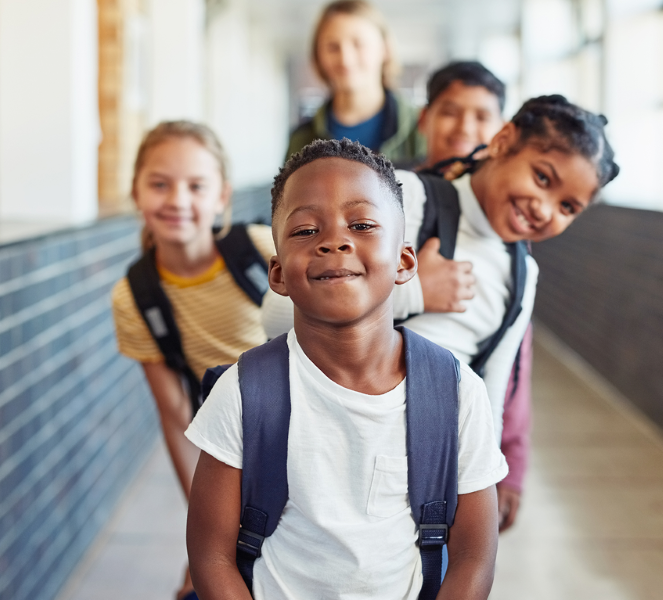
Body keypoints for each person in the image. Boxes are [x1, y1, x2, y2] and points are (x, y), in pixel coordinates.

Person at [262, 95, 619, 533]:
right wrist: (416, 292)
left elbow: (490, 392)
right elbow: (277, 316)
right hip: (320, 450)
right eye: (542, 177)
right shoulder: (404, 198)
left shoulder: (523, 275)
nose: (544, 208)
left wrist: (485, 489)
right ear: (503, 141)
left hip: (422, 478)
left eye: (567, 207)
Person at [186, 139, 506, 599]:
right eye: (304, 231)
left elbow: (475, 556)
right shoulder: (245, 391)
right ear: (277, 274)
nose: (334, 240)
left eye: (361, 224)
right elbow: (210, 556)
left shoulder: (455, 393)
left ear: (403, 261)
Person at [110, 121, 275, 600]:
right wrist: (205, 527)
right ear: (136, 192)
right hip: (230, 450)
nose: (177, 200)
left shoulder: (262, 250)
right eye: (159, 184)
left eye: (196, 186)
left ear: (221, 196)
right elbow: (177, 416)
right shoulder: (135, 297)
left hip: (307, 427)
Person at [415, 60, 530, 531]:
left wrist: (511, 461)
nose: (465, 126)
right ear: (424, 119)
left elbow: (513, 356)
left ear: (501, 132)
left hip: (462, 440)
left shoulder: (507, 226)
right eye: (450, 110)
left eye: (481, 115)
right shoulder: (390, 195)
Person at [285, 0, 425, 166]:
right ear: (318, 55)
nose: (345, 59)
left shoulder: (422, 127)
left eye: (358, 44)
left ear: (384, 48)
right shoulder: (302, 138)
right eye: (332, 47)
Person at [417, 60, 506, 171]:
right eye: (450, 113)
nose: (465, 129)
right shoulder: (395, 181)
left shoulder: (505, 188)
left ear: (503, 132)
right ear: (423, 119)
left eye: (482, 117)